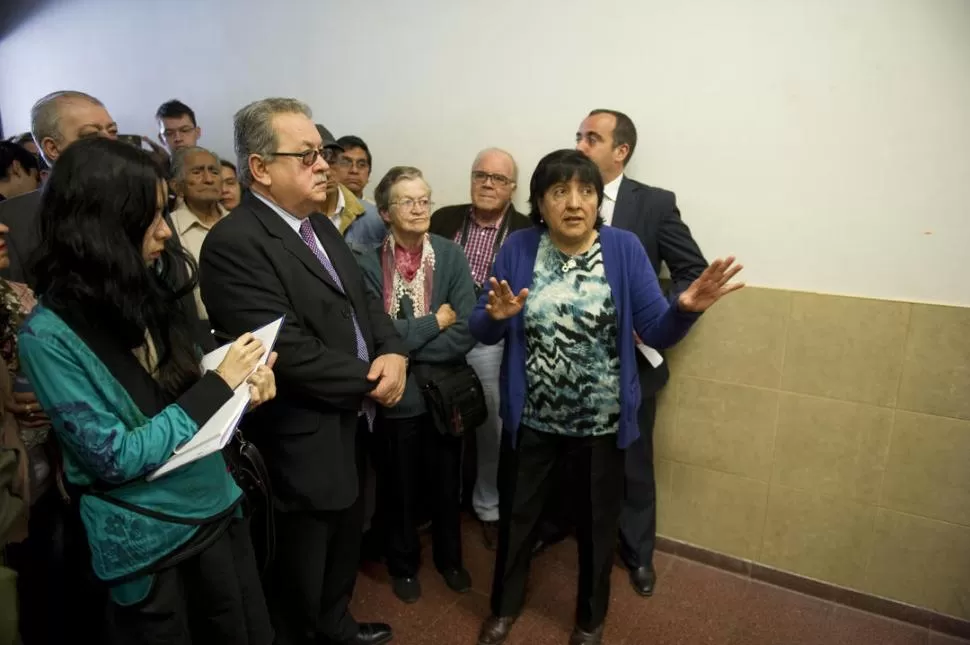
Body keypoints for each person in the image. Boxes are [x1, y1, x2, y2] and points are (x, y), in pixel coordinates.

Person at [472, 149, 743, 645]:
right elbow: (482, 329)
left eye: (586, 191)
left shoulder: (623, 249)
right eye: (560, 191)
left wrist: (683, 309)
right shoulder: (519, 249)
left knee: (598, 530)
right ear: (539, 201)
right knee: (518, 522)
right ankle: (504, 609)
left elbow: (655, 331)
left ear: (598, 199)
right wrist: (496, 316)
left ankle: (589, 621)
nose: (574, 203)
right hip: (533, 421)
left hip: (602, 425)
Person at [17, 137, 277, 644]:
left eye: (166, 212)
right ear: (99, 226)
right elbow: (115, 456)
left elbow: (190, 373)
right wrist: (219, 387)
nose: (164, 232)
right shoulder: (48, 337)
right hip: (149, 539)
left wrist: (246, 380)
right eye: (151, 217)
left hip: (215, 503)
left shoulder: (152, 277)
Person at [199, 97, 407, 645]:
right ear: (260, 169)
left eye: (325, 153)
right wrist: (374, 379)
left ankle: (336, 625)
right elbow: (285, 349)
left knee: (342, 547)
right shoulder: (234, 243)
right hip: (299, 437)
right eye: (307, 155)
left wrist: (395, 352)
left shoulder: (319, 226)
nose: (324, 165)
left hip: (350, 422)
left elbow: (367, 301)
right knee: (299, 566)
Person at [536, 109, 707, 598]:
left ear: (621, 150)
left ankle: (636, 554)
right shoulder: (554, 202)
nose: (581, 144)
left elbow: (691, 271)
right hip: (564, 365)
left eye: (593, 138)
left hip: (630, 366)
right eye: (579, 136)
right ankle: (555, 530)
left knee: (633, 462)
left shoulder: (652, 204)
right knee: (564, 456)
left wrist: (658, 319)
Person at [354, 166, 476, 603]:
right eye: (408, 201)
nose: (420, 207)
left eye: (425, 198)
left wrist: (404, 342)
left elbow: (466, 327)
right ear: (385, 212)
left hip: (445, 391)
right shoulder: (365, 263)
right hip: (395, 397)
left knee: (448, 483)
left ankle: (451, 559)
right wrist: (433, 321)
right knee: (399, 487)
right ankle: (403, 564)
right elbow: (374, 335)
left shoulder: (450, 255)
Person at [429, 148, 530, 550]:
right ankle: (441, 503)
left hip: (490, 338)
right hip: (441, 331)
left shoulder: (526, 230)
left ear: (513, 188)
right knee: (435, 419)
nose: (488, 184)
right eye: (480, 175)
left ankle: (487, 505)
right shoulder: (444, 219)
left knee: (491, 424)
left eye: (499, 179)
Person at [0, 90, 118, 285]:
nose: (109, 142)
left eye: (112, 131)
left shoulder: (143, 198)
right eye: (91, 135)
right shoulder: (10, 221)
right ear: (53, 148)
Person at [169, 146, 228, 321]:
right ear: (177, 186)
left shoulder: (243, 223)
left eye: (214, 171)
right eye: (197, 172)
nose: (208, 179)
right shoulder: (168, 230)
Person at [315, 126, 385, 248]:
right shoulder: (295, 212)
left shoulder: (375, 218)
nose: (327, 171)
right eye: (346, 162)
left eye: (332, 160)